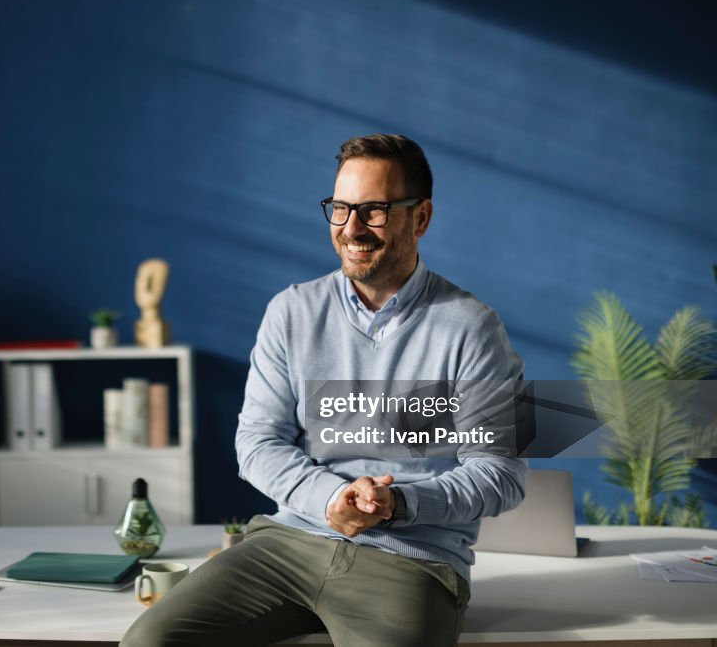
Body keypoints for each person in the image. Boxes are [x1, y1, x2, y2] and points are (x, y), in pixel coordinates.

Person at [120, 134, 527, 647]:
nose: (351, 228)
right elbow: (257, 444)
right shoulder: (290, 313)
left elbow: (501, 474)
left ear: (420, 218)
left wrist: (397, 503)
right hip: (288, 543)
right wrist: (334, 498)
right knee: (149, 642)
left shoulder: (473, 327)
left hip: (412, 561)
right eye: (339, 208)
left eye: (374, 210)